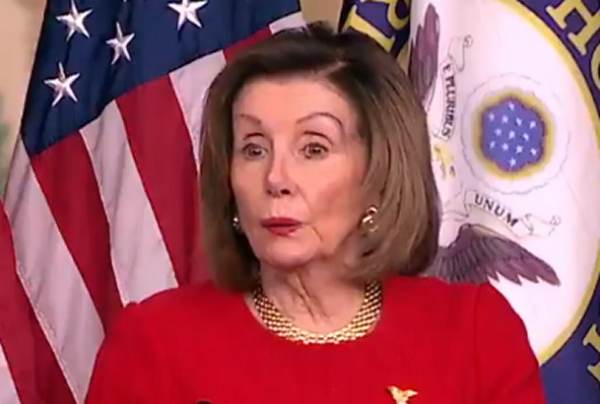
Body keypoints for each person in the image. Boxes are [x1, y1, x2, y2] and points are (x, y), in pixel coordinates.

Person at [85, 23, 546, 404]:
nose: (275, 177)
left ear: (380, 174)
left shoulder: (473, 334)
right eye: (253, 149)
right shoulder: (155, 344)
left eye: (313, 148)